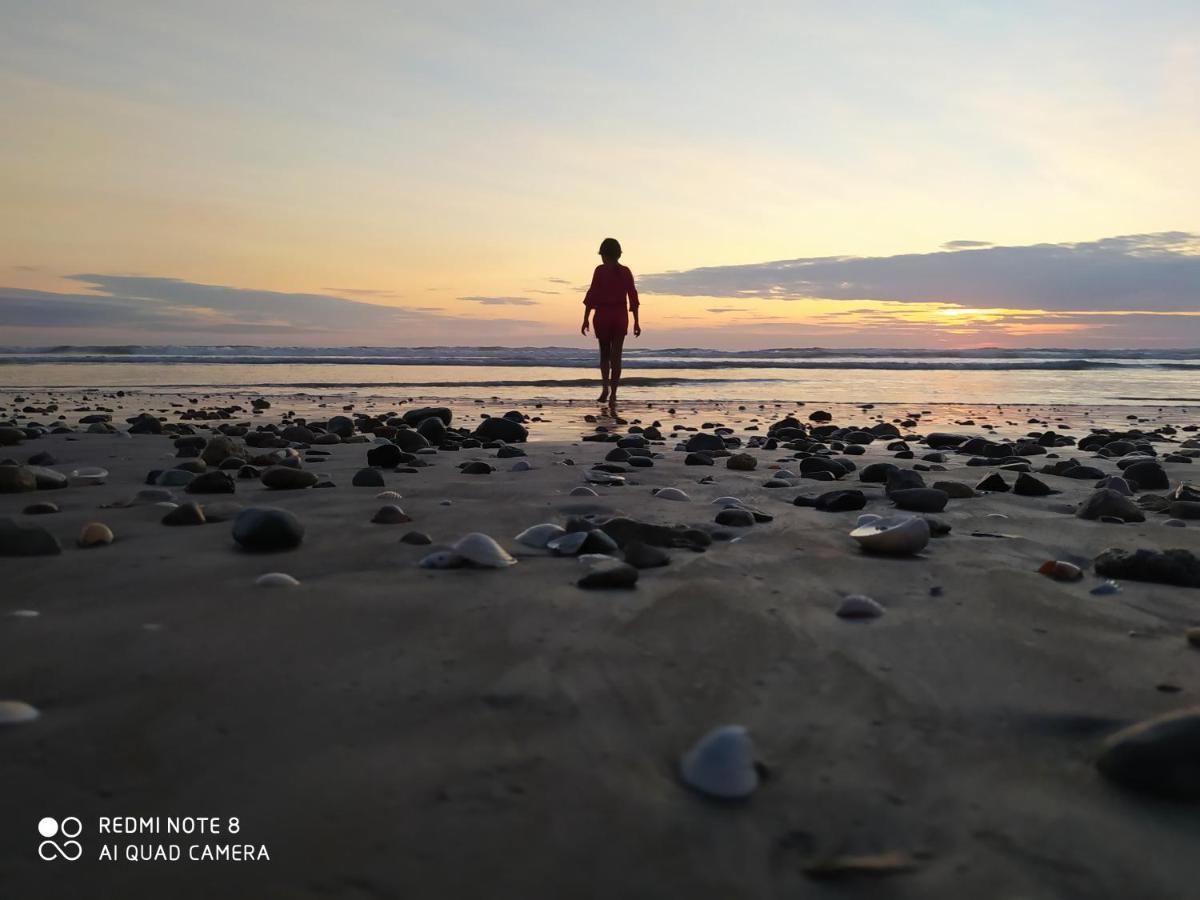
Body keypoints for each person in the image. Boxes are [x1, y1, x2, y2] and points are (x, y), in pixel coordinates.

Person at [580, 237, 640, 410]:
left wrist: (585, 318)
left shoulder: (599, 271)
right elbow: (633, 296)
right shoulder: (626, 271)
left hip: (603, 314)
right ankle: (613, 394)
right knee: (617, 357)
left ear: (604, 254)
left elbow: (592, 294)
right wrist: (636, 321)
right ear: (618, 254)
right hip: (620, 315)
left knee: (604, 355)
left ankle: (605, 388)